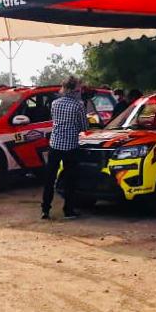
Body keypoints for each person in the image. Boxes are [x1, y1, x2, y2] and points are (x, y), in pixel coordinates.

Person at [41, 76, 88, 220]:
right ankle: (68, 210)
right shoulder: (78, 105)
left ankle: (45, 210)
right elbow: (83, 127)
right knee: (70, 179)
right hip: (71, 146)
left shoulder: (55, 103)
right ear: (74, 89)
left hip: (55, 144)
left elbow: (55, 121)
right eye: (79, 88)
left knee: (49, 178)